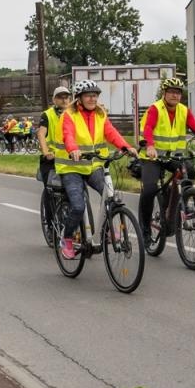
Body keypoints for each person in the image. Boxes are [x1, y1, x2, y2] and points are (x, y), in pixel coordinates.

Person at [56, 80, 137, 261]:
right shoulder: (69, 115)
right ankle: (66, 238)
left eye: (95, 95)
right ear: (79, 98)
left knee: (110, 196)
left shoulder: (100, 114)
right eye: (88, 96)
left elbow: (111, 133)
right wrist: (73, 149)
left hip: (94, 165)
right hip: (71, 167)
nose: (92, 99)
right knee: (78, 206)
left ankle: (107, 231)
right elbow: (68, 135)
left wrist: (126, 147)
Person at [136, 77, 195, 241]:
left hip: (173, 156)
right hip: (152, 157)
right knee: (150, 190)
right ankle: (145, 229)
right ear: (164, 93)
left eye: (178, 93)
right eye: (172, 92)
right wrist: (150, 146)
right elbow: (148, 128)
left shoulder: (183, 110)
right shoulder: (155, 109)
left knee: (189, 171)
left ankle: (181, 201)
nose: (175, 95)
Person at [36, 84, 73, 190]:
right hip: (52, 157)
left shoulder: (75, 114)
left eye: (66, 97)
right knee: (50, 187)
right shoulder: (47, 115)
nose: (64, 100)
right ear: (54, 100)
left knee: (79, 188)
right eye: (60, 97)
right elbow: (41, 134)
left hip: (70, 157)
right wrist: (46, 152)